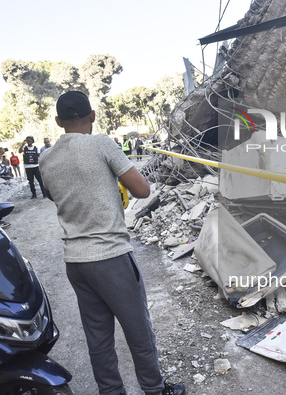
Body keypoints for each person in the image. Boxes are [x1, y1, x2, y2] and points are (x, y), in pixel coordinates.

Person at [39, 91, 185, 395]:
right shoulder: (101, 143)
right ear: (92, 116)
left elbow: (53, 195)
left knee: (98, 338)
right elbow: (143, 190)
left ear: (58, 121)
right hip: (111, 257)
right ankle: (155, 390)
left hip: (76, 262)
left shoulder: (46, 157)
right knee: (139, 332)